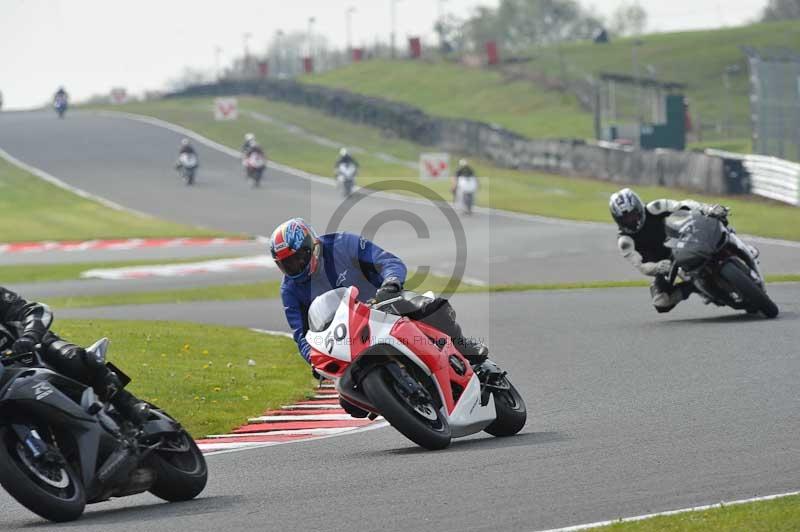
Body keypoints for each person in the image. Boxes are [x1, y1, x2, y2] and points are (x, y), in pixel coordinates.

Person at [269, 218, 489, 405]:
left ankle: (463, 347)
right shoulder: (290, 289)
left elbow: (387, 261)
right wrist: (315, 359)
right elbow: (301, 334)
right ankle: (400, 401)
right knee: (349, 402)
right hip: (347, 335)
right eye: (287, 264)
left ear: (312, 246)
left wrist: (391, 283)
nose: (295, 266)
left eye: (298, 258)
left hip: (384, 304)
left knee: (430, 307)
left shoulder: (342, 243)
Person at [0, 287, 148, 424]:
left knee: (74, 359)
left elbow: (37, 310)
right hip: (5, 377)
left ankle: (128, 404)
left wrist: (29, 336)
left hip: (33, 350)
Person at [609, 187, 756, 313]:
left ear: (638, 207)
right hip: (666, 264)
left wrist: (707, 208)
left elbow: (684, 204)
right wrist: (658, 267)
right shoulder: (625, 241)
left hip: (684, 240)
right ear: (618, 219)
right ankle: (693, 287)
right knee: (661, 302)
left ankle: (742, 247)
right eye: (626, 218)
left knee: (717, 220)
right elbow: (641, 266)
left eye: (633, 214)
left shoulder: (655, 207)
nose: (632, 220)